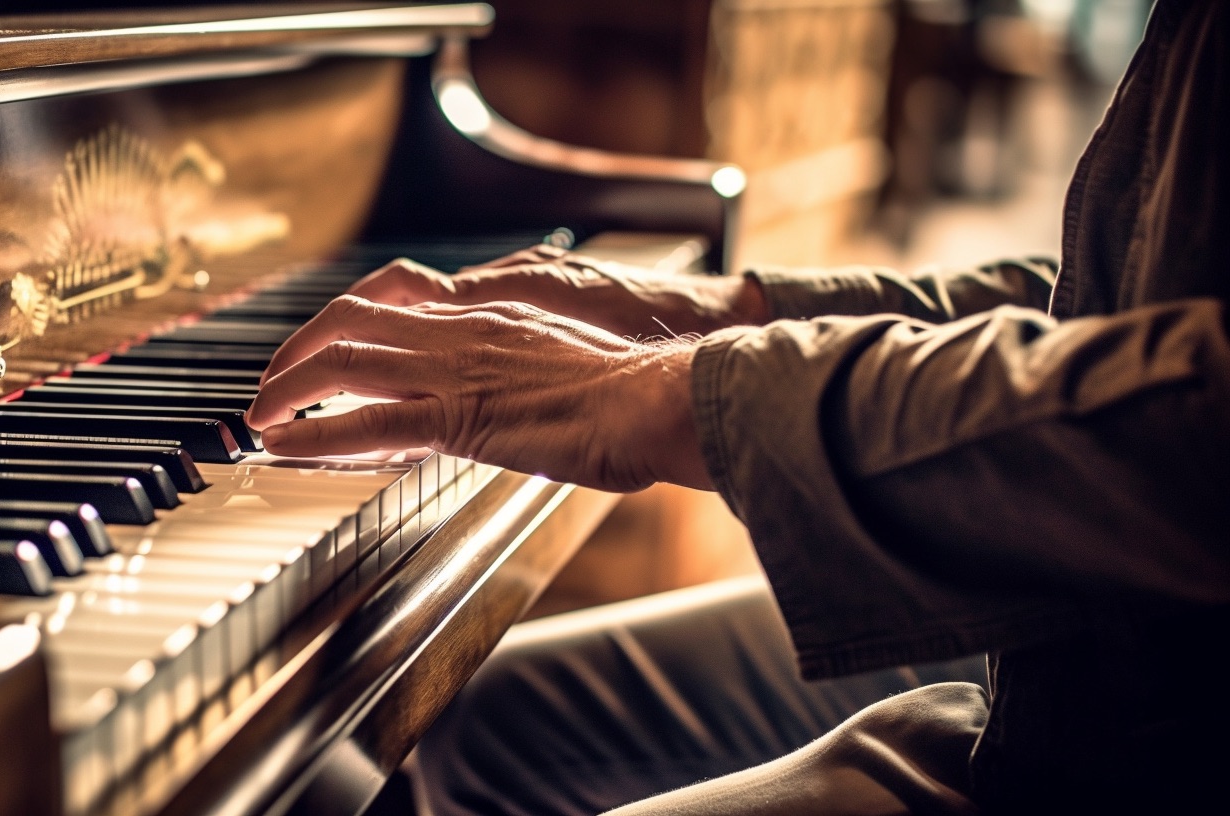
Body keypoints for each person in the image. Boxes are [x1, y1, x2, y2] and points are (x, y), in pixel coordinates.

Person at [246, 0, 1230, 811]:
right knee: (465, 721)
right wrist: (737, 310)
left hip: (1165, 734)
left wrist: (687, 394)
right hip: (1115, 632)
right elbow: (1119, 300)